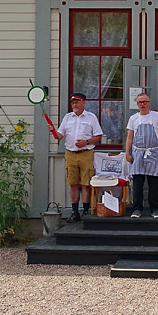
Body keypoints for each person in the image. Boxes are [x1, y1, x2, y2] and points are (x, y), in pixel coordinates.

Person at [46, 91, 103, 222]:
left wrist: (86, 142)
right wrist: (53, 130)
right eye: (72, 102)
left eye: (77, 102)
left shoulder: (91, 117)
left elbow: (98, 136)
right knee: (73, 183)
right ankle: (75, 212)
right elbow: (60, 136)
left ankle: (86, 211)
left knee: (86, 183)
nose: (74, 104)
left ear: (83, 102)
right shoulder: (67, 117)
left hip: (86, 153)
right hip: (70, 153)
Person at [124, 92, 158, 218]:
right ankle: (137, 209)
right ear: (137, 104)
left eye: (145, 102)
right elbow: (130, 137)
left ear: (149, 103)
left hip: (153, 152)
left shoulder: (157, 116)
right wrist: (127, 152)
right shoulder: (133, 118)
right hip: (137, 152)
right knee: (138, 183)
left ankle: (154, 209)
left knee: (154, 183)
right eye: (140, 102)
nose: (143, 104)